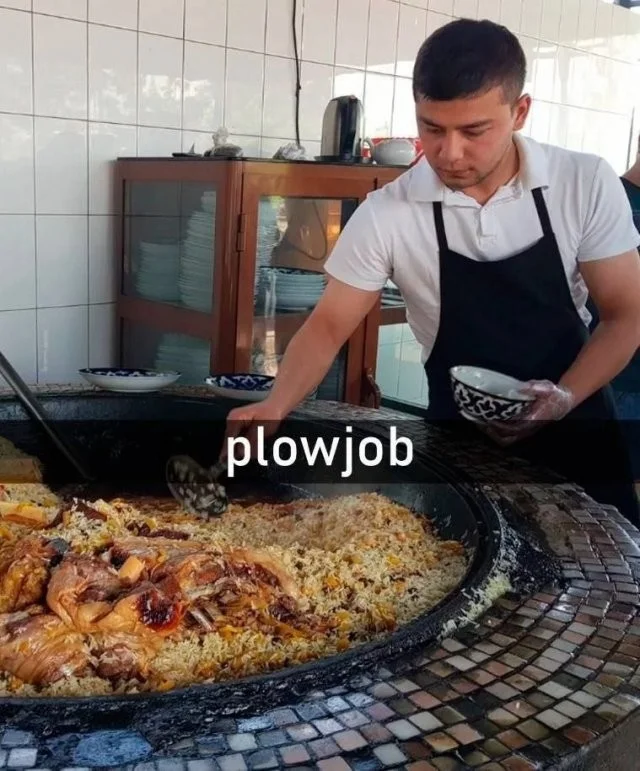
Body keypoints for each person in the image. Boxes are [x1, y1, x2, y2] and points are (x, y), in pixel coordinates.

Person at [224, 19, 640, 524]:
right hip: (463, 445)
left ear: (520, 111)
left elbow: (625, 316)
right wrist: (277, 404)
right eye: (432, 129)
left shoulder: (583, 181)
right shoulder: (388, 212)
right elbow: (328, 325)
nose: (449, 153)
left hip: (579, 429)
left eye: (474, 131)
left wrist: (565, 397)